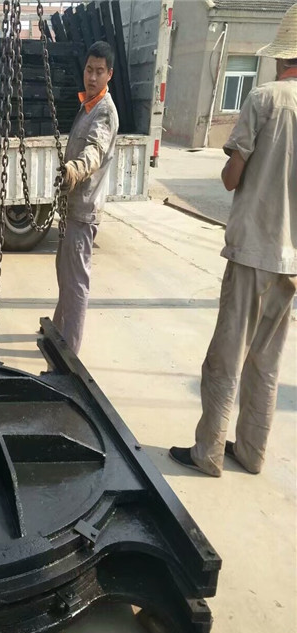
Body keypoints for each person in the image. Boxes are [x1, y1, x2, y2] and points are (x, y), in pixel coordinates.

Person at [169, 3, 297, 477]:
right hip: (291, 262)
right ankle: (252, 451)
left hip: (253, 252)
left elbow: (230, 178)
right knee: (266, 362)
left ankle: (208, 453)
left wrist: (237, 162)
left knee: (226, 358)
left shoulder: (265, 99)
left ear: (281, 57)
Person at [52, 40, 119, 355]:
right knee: (64, 273)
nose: (92, 77)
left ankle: (70, 354)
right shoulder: (88, 105)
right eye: (89, 70)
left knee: (76, 282)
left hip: (83, 210)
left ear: (109, 74)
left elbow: (94, 151)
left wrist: (73, 170)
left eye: (99, 71)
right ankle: (58, 331)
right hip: (72, 208)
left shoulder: (104, 112)